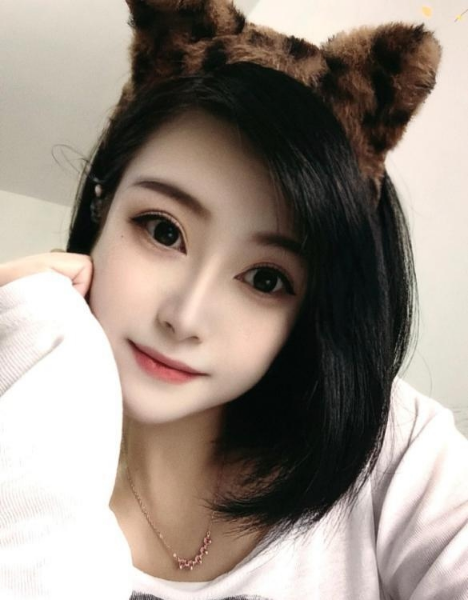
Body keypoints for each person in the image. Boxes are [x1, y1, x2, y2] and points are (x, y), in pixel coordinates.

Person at [1, 1, 467, 598]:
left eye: (266, 279)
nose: (185, 317)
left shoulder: (390, 450)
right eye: (163, 231)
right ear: (101, 206)